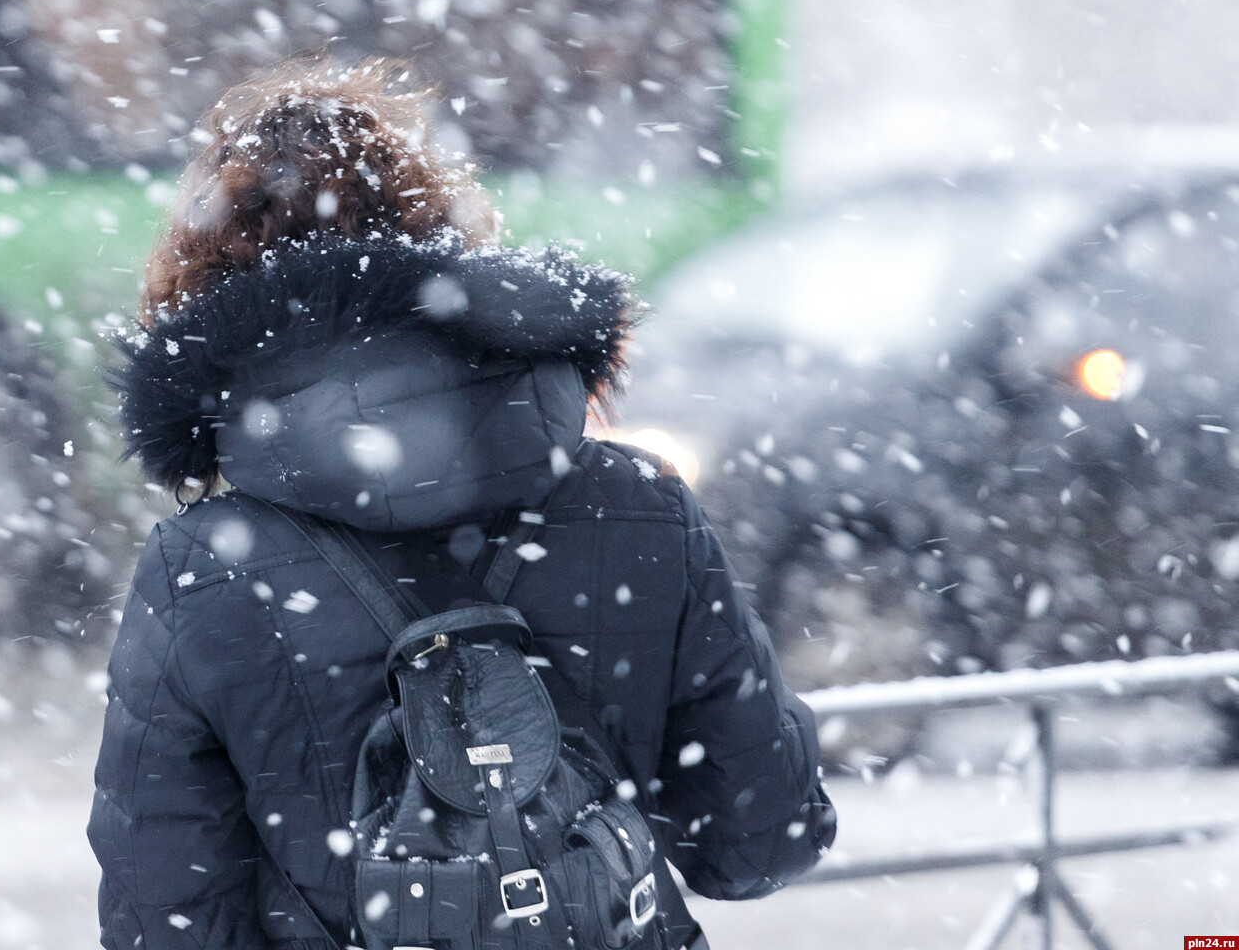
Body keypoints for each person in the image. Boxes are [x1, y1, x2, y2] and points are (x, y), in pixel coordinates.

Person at [89, 59, 835, 949]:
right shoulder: (637, 508)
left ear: (206, 291)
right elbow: (761, 843)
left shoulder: (201, 572)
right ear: (441, 237)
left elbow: (168, 924)